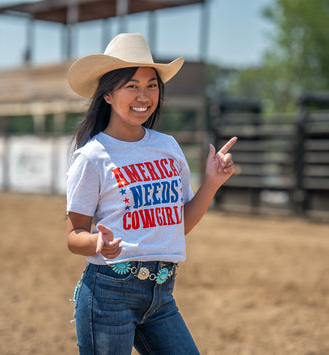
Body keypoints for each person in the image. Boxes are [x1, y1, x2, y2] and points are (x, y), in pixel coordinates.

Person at [66, 32, 237, 354]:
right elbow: (74, 234)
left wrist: (212, 182)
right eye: (132, 85)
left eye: (151, 85)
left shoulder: (168, 147)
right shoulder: (92, 156)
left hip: (161, 295)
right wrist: (97, 242)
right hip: (108, 295)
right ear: (107, 95)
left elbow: (179, 226)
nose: (144, 95)